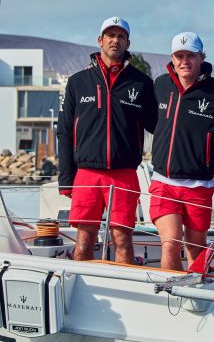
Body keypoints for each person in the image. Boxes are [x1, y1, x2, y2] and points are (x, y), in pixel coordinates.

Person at [57, 16, 157, 262]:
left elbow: (158, 127)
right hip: (87, 174)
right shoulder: (78, 82)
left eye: (121, 36)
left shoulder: (141, 83)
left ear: (127, 43)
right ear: (100, 41)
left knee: (123, 240)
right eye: (110, 36)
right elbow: (65, 131)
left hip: (123, 173)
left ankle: (125, 293)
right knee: (84, 240)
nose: (115, 40)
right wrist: (66, 180)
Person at [150, 31, 214, 271]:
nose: (184, 61)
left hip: (198, 185)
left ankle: (198, 295)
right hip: (163, 181)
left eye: (190, 55)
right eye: (179, 56)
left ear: (201, 57)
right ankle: (171, 295)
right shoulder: (161, 85)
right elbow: (152, 120)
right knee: (170, 243)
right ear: (172, 57)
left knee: (195, 247)